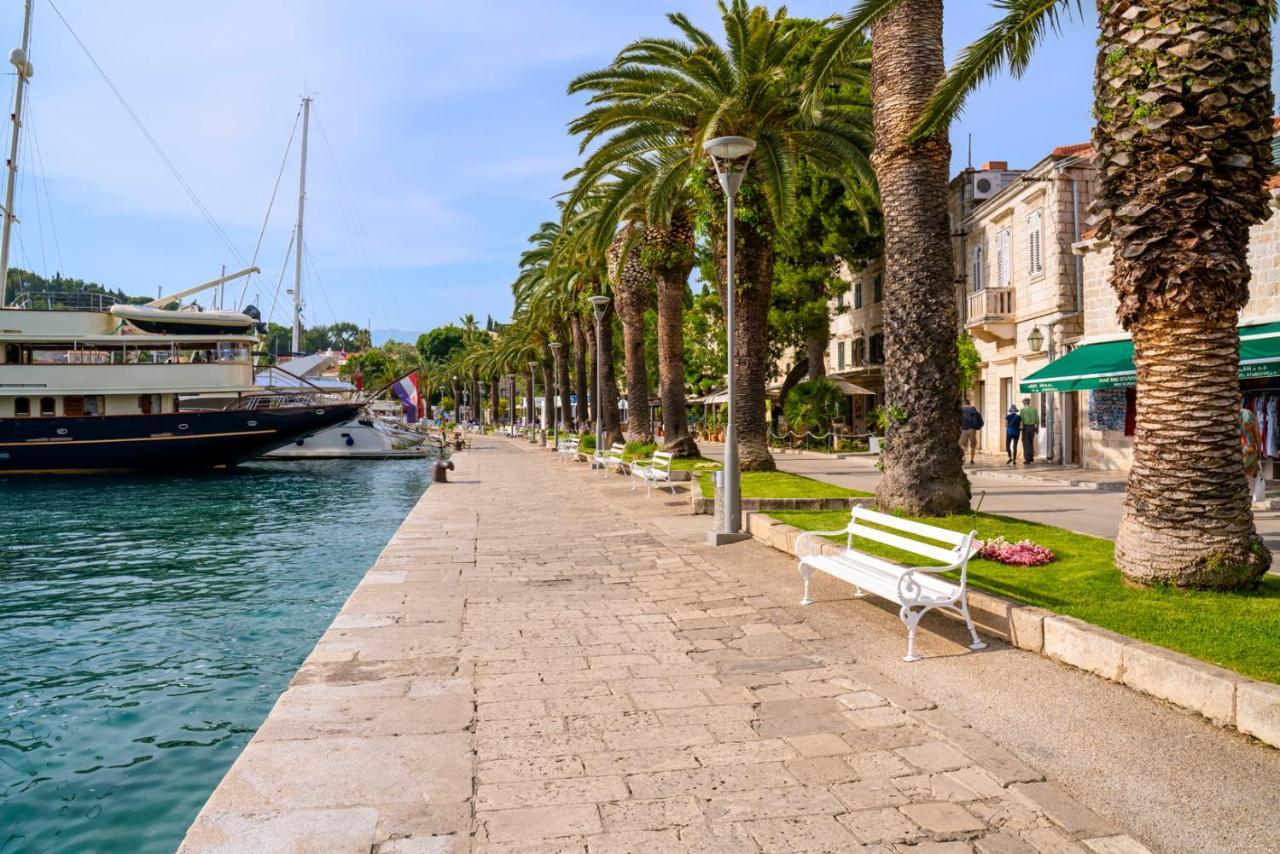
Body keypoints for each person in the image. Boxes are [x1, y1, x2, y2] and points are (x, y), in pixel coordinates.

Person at [959, 398, 983, 464]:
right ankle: (972, 460)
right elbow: (978, 416)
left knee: (962, 445)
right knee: (973, 445)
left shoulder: (961, 409)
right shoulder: (972, 408)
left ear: (964, 403)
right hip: (972, 429)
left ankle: (963, 457)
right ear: (969, 403)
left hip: (963, 429)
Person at [1019, 397, 1040, 463]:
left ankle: (1027, 459)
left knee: (1026, 443)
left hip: (1026, 427)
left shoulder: (1022, 410)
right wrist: (1037, 428)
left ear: (1025, 402)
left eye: (1023, 402)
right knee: (1031, 442)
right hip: (1033, 427)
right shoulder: (1034, 410)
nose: (1023, 403)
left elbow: (1021, 420)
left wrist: (1021, 427)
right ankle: (1031, 457)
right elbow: (1037, 420)